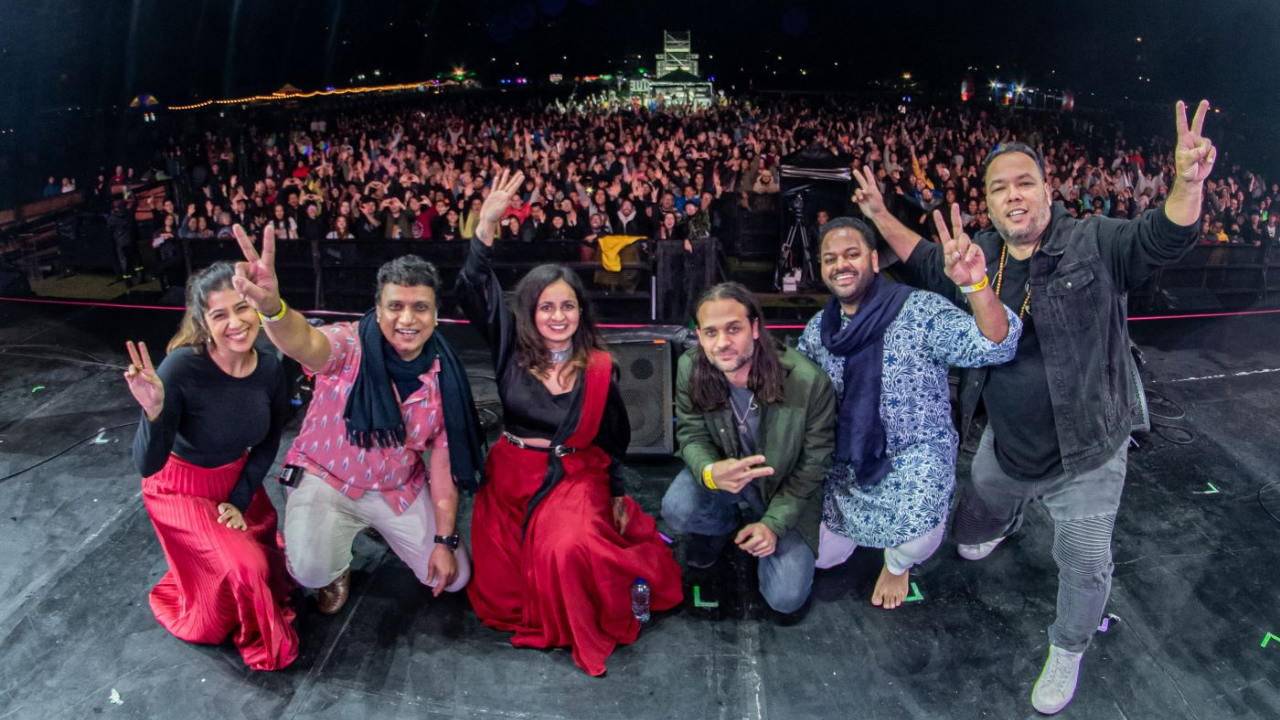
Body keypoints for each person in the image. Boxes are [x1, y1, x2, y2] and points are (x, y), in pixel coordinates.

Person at [851, 100, 1215, 714]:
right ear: (988, 204)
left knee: (1083, 561)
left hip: (1088, 451)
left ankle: (1068, 647)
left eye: (1025, 183)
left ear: (1049, 192)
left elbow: (1164, 234)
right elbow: (919, 257)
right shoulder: (979, 257)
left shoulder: (1095, 241)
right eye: (999, 188)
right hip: (1007, 448)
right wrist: (883, 214)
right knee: (969, 535)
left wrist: (1186, 183)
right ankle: (1008, 516)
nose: (1013, 195)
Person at [459, 169, 681, 677]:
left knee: (568, 549)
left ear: (581, 310)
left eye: (567, 305)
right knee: (500, 594)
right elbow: (471, 287)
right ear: (529, 311)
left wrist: (620, 494)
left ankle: (634, 578)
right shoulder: (507, 346)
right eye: (546, 306)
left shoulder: (601, 366)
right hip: (510, 479)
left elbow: (615, 438)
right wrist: (485, 230)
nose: (557, 315)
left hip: (575, 475)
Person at [229, 224, 484, 614]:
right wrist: (273, 310)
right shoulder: (350, 343)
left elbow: (446, 469)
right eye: (395, 306)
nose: (407, 319)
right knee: (310, 573)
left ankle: (374, 526)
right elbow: (307, 344)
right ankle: (335, 567)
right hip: (327, 479)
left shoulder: (444, 377)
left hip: (396, 487)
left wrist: (445, 541)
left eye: (420, 307)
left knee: (454, 579)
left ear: (435, 314)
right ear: (378, 310)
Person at [796, 215, 1020, 609]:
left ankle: (897, 563)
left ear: (875, 260)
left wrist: (976, 286)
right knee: (820, 557)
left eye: (852, 254)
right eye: (830, 258)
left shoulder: (918, 310)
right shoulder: (821, 329)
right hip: (848, 462)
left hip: (915, 456)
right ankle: (855, 534)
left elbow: (995, 345)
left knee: (917, 539)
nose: (840, 265)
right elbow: (796, 387)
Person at [124, 262, 298, 670]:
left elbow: (270, 439)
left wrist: (239, 500)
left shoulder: (271, 368)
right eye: (220, 315)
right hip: (180, 489)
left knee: (270, 566)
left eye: (242, 308)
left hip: (237, 485)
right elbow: (148, 465)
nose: (236, 323)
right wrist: (152, 413)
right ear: (203, 321)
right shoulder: (182, 367)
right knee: (249, 568)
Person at [662, 282, 836, 617]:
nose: (722, 343)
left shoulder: (808, 382)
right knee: (677, 508)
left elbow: (813, 466)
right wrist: (710, 472)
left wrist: (773, 524)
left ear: (755, 328)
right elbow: (691, 434)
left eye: (733, 329)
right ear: (699, 335)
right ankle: (725, 527)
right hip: (727, 482)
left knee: (786, 599)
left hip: (782, 491)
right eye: (710, 332)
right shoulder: (690, 368)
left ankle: (759, 532)